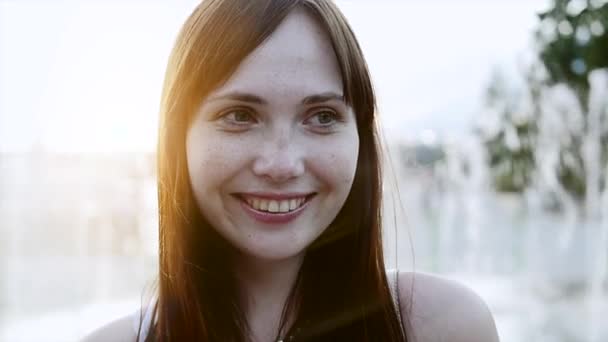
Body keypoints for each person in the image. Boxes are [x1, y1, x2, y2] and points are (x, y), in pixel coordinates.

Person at [83, 0, 499, 341]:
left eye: (320, 117)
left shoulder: (443, 328)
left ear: (361, 138)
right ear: (178, 140)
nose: (282, 165)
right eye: (240, 115)